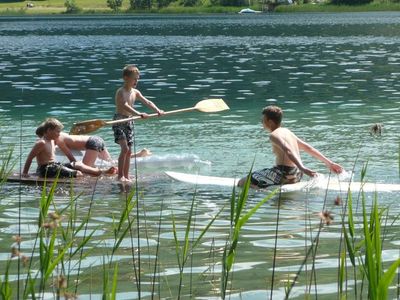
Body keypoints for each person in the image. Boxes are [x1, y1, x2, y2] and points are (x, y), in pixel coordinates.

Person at [238, 105, 343, 189]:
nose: (261, 123)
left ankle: (264, 193)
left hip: (283, 175)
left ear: (270, 121)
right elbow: (308, 148)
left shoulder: (273, 135)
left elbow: (288, 150)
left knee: (242, 182)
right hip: (296, 175)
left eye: (263, 120)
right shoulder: (287, 132)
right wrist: (329, 163)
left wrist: (303, 167)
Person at [112, 64, 164, 182]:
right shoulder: (121, 91)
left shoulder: (135, 92)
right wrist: (138, 114)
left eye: (137, 79)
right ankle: (120, 176)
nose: (136, 81)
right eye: (134, 79)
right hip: (119, 121)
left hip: (129, 121)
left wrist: (157, 110)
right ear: (126, 78)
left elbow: (147, 102)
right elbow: (124, 105)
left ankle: (126, 175)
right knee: (124, 149)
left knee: (129, 151)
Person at [22, 118, 116, 178]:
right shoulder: (41, 143)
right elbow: (29, 158)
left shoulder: (51, 140)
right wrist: (25, 174)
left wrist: (72, 164)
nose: (59, 134)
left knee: (78, 164)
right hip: (46, 169)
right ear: (49, 130)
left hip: (54, 165)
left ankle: (102, 171)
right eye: (57, 132)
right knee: (78, 173)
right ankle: (98, 174)